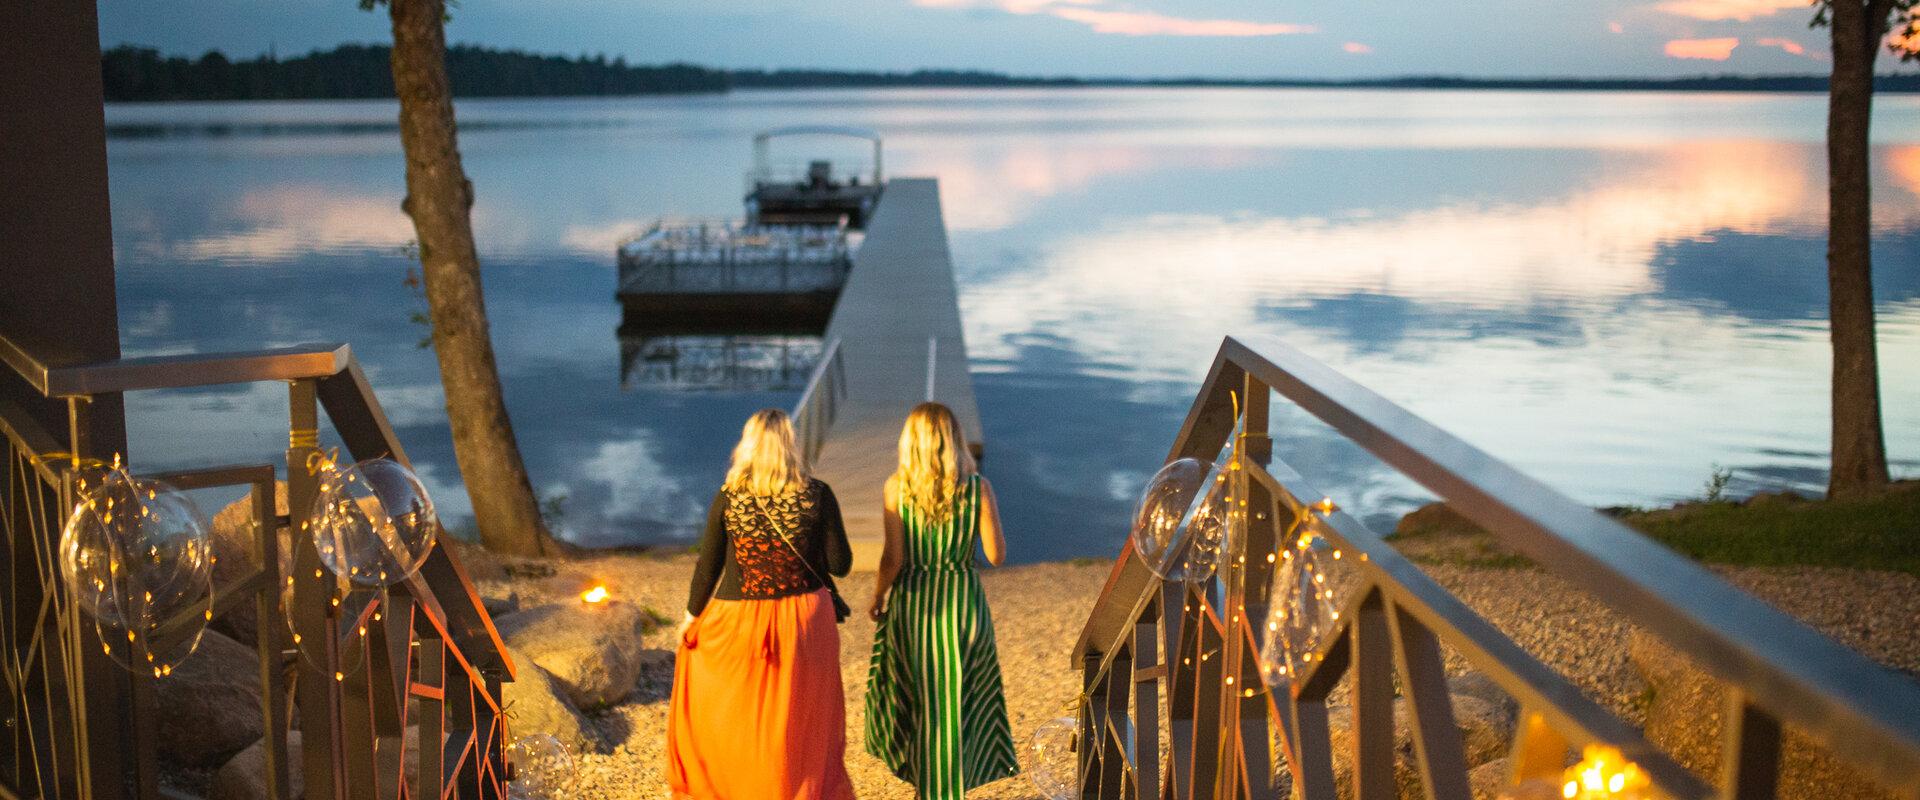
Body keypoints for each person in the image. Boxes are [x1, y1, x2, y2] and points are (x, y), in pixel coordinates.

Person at [667, 408, 855, 800]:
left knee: (737, 714)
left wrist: (691, 617)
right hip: (805, 619)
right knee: (802, 719)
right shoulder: (817, 494)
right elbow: (841, 565)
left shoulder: (729, 497)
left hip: (740, 621)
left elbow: (708, 567)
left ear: (747, 446)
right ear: (791, 446)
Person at [864, 402, 1019, 798]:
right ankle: (946, 786)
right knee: (959, 700)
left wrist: (878, 594)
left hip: (914, 605)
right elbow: (997, 555)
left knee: (914, 696)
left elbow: (894, 559)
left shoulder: (896, 487)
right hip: (963, 603)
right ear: (954, 440)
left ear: (909, 441)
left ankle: (929, 786)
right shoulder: (978, 487)